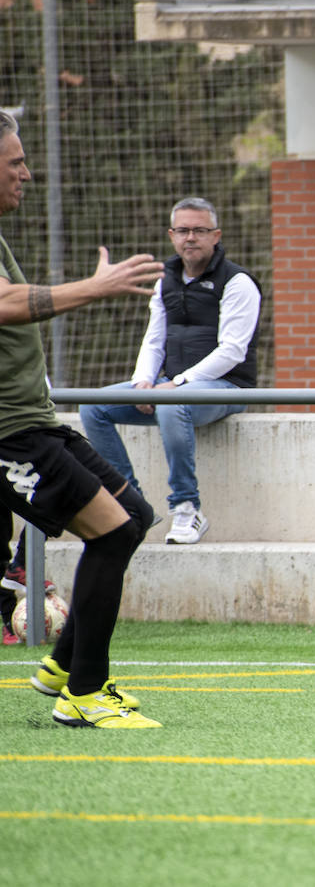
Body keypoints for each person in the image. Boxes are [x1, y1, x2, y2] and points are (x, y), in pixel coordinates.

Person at [0, 109, 165, 727]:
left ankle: (63, 668)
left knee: (137, 517)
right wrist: (96, 288)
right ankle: (85, 696)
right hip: (7, 435)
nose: (27, 172)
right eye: (15, 162)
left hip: (33, 423)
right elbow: (7, 304)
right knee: (114, 532)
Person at [79, 197, 262, 545]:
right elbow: (154, 339)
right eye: (183, 230)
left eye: (199, 230)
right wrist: (144, 381)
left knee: (172, 402)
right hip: (172, 390)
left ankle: (187, 507)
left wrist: (176, 384)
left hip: (226, 388)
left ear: (216, 235)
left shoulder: (238, 282)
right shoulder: (166, 280)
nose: (190, 237)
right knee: (92, 405)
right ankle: (129, 501)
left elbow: (233, 351)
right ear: (171, 235)